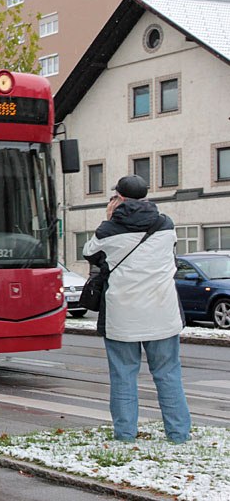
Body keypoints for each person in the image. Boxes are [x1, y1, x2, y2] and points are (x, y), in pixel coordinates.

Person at [82, 174, 191, 443]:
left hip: (123, 316)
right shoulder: (165, 225)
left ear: (118, 198)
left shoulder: (108, 231)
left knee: (123, 377)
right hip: (162, 312)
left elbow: (90, 253)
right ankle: (178, 435)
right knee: (168, 374)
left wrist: (109, 219)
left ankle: (125, 436)